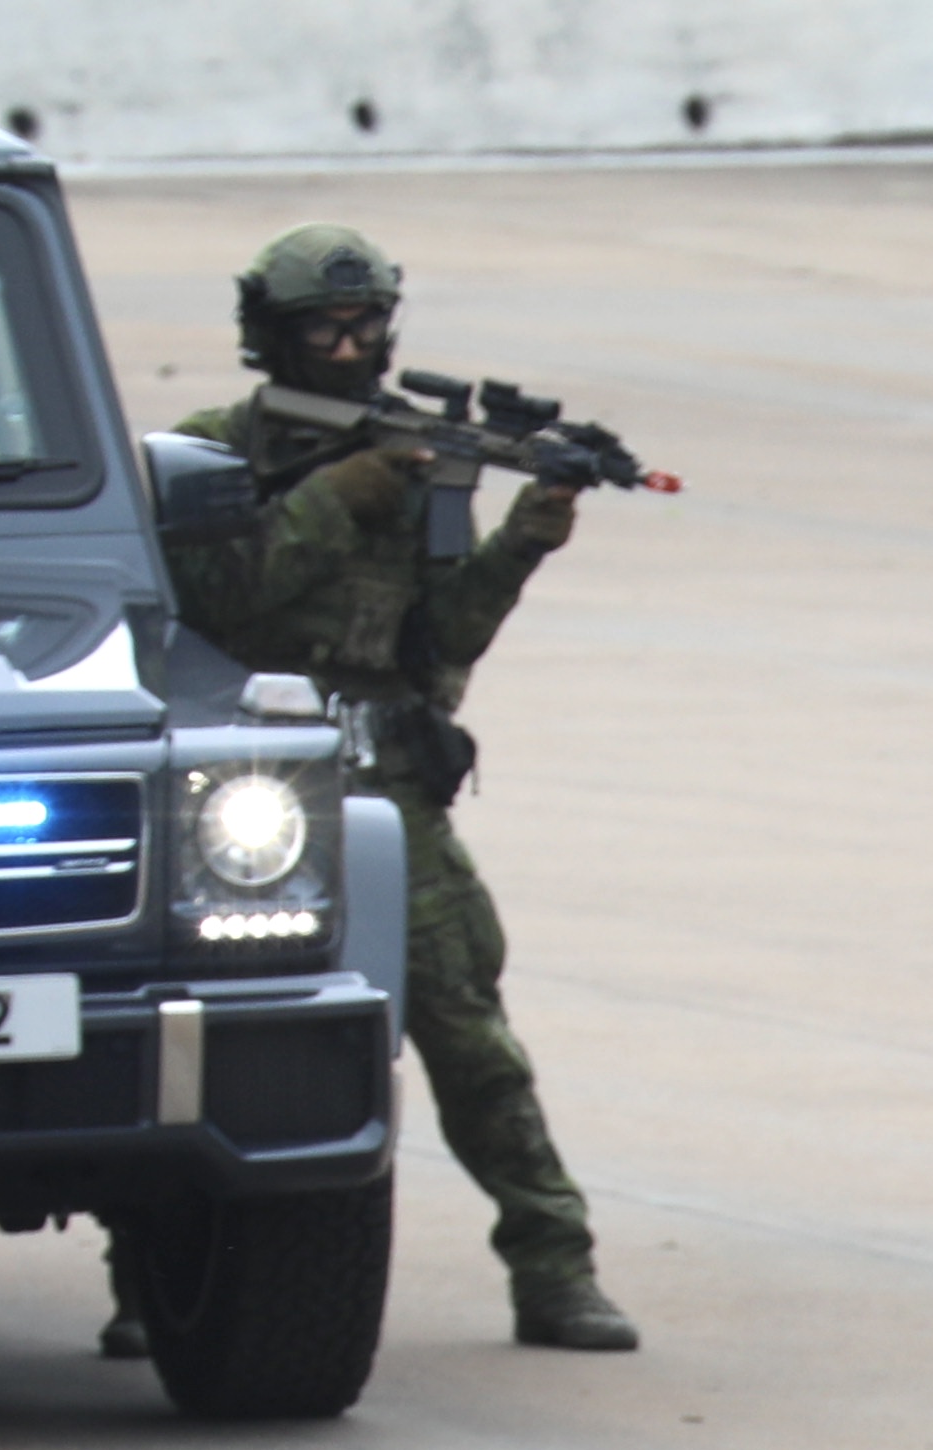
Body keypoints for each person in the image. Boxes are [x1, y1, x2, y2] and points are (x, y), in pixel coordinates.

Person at [150, 222, 636, 1358]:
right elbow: (217, 605)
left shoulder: (418, 462)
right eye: (328, 325)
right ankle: (153, 1282)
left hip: (386, 785)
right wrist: (339, 495)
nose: (355, 344)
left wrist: (529, 535)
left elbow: (442, 637)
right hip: (247, 783)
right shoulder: (217, 453)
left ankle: (553, 1262)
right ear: (272, 338)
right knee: (211, 1036)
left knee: (466, 1027)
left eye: (370, 323)